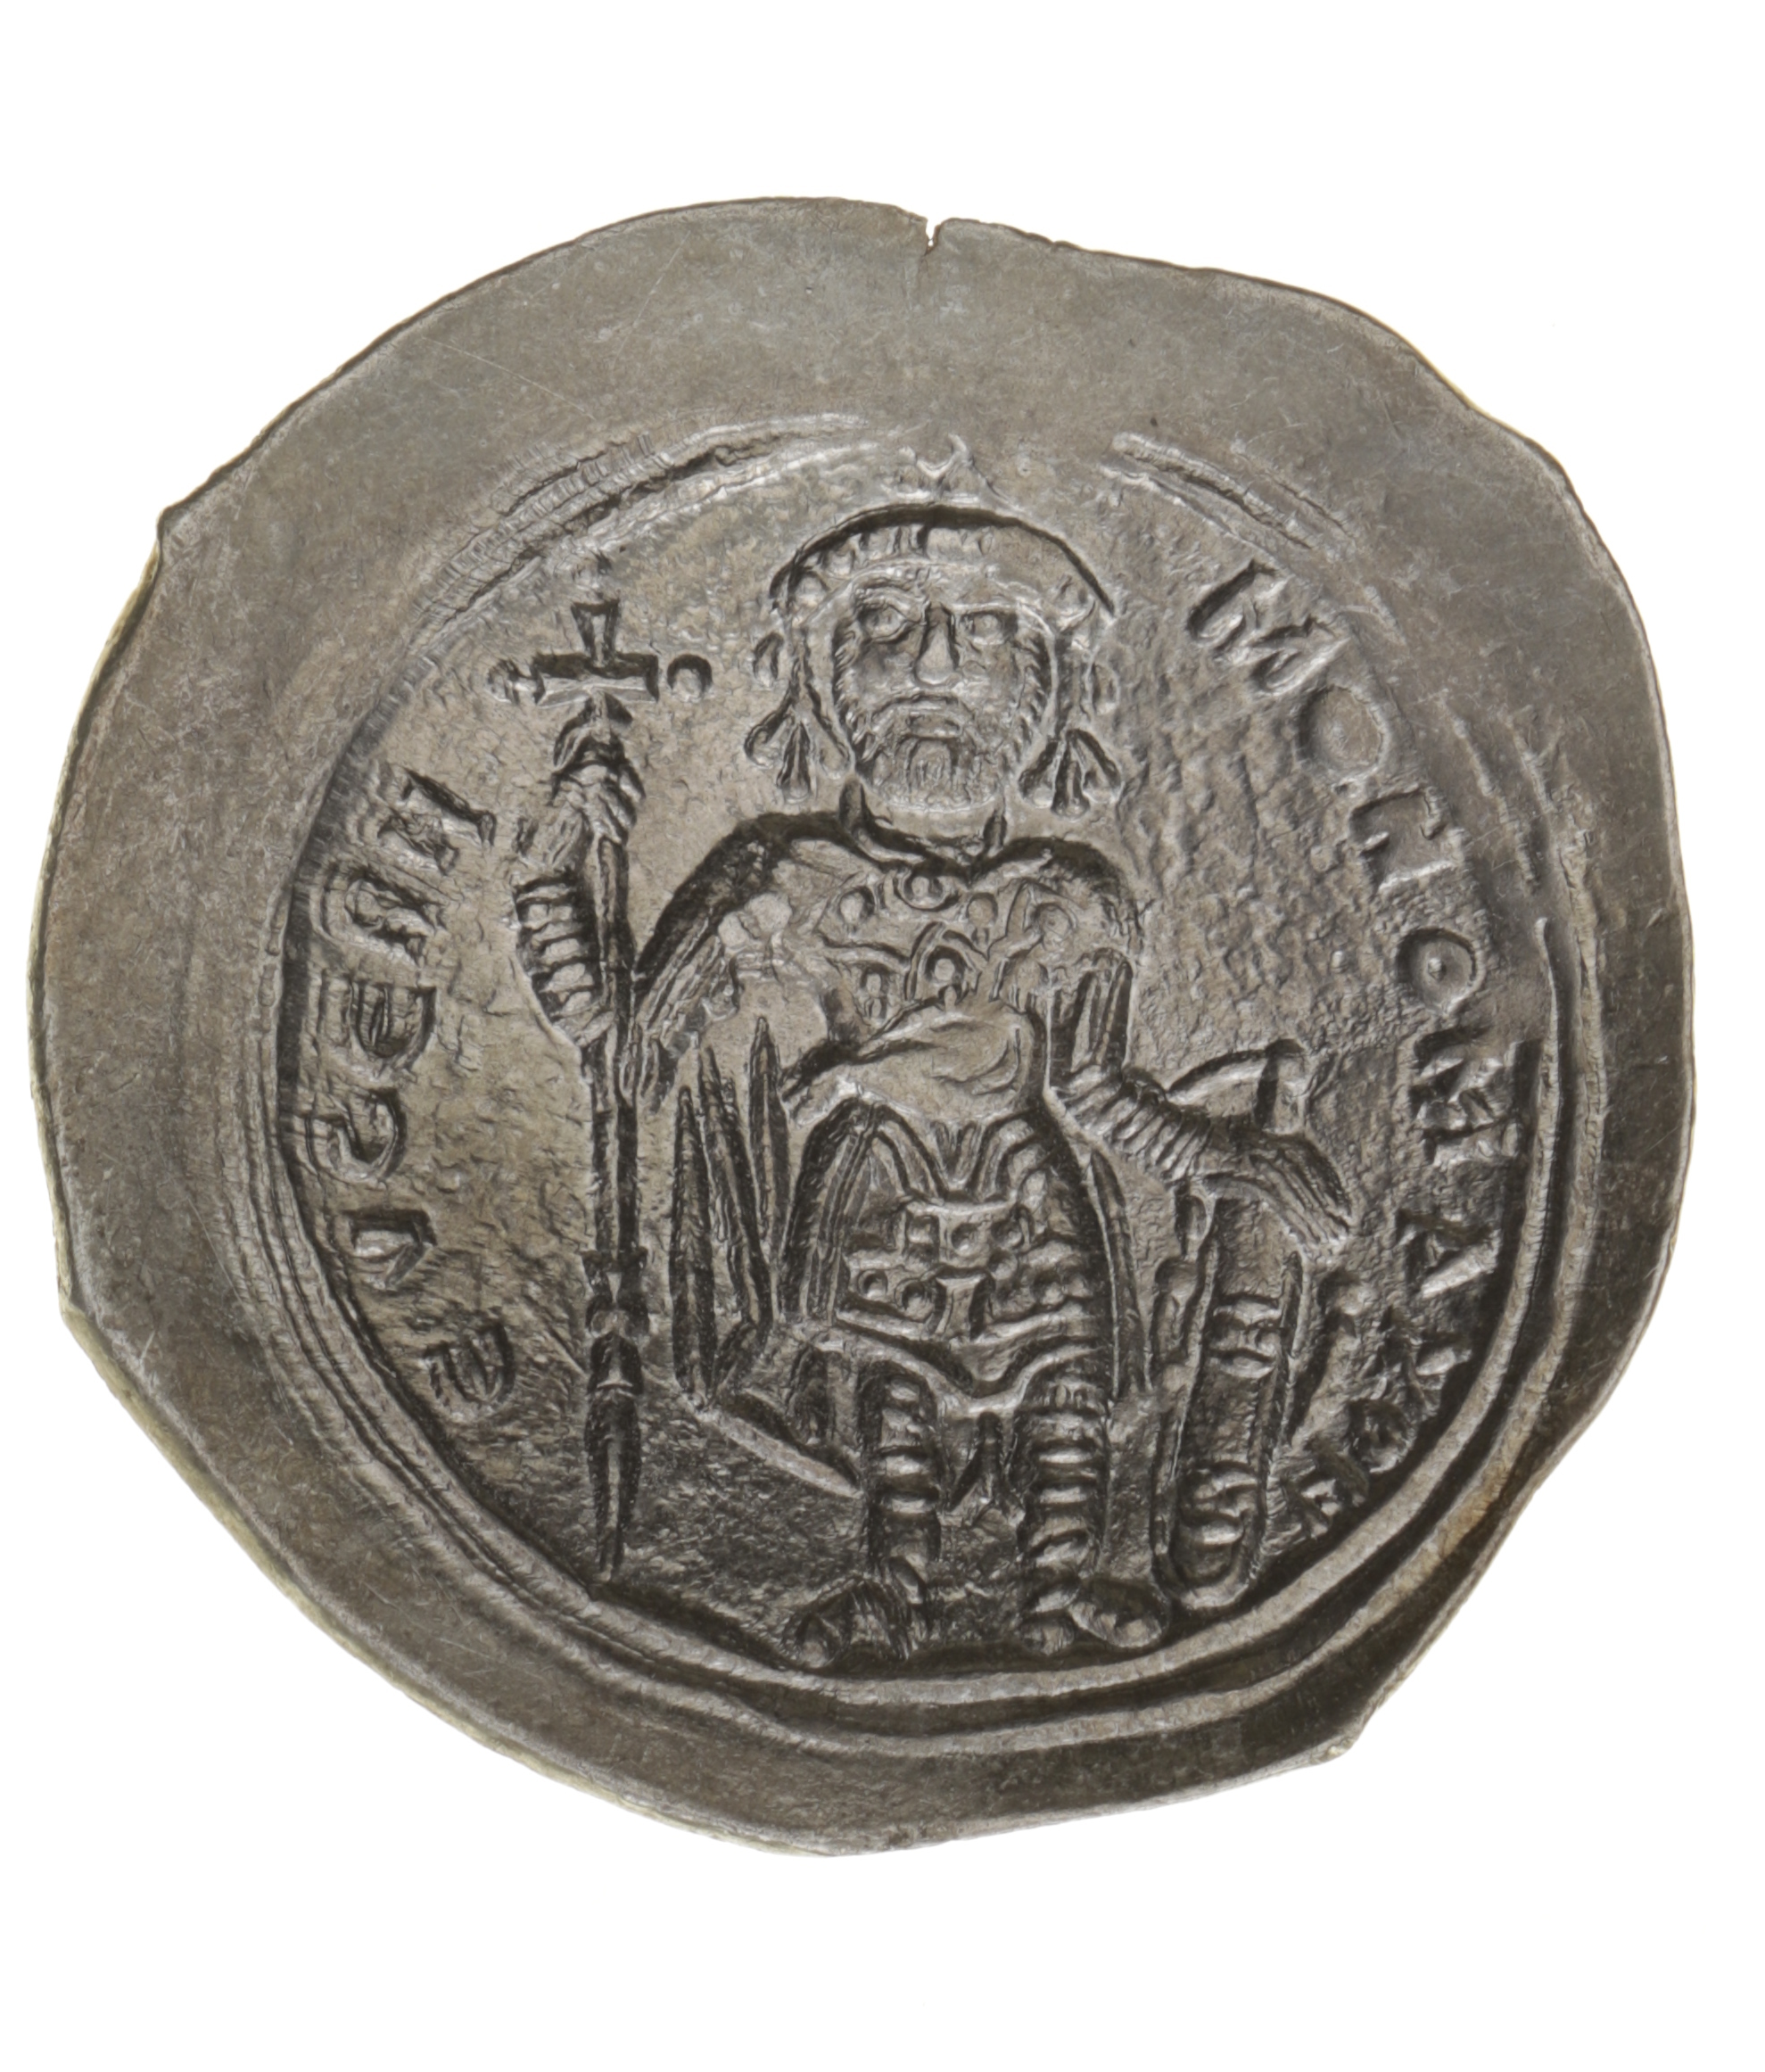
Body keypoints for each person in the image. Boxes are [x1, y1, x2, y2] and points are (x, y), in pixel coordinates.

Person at [510, 507, 1346, 1664]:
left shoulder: (1075, 898)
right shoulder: (782, 880)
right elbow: (626, 1053)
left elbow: (1095, 1090)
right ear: (817, 683)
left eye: (990, 631)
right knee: (893, 1382)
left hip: (1029, 1182)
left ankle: (1058, 1586)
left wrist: (1226, 1155)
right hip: (877, 1175)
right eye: (887, 625)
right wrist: (548, 866)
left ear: (1054, 696)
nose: (938, 666)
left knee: (1063, 1371)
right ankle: (894, 1584)